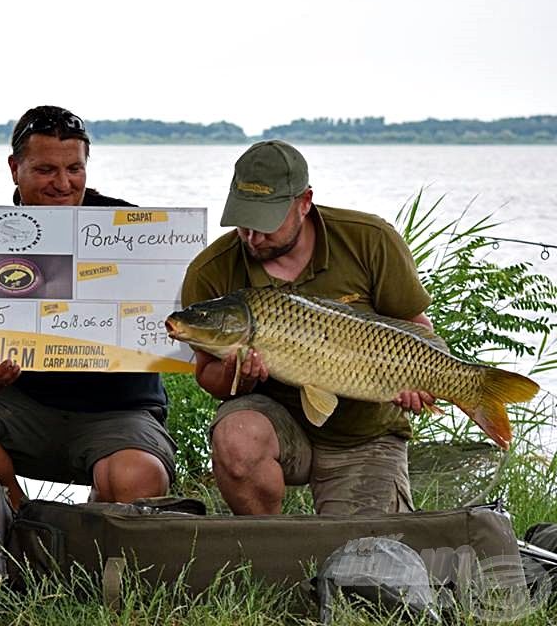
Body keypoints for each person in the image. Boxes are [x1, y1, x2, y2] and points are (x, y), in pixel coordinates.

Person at [0, 105, 176, 509]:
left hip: (119, 412)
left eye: (74, 169)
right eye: (46, 169)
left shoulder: (135, 232)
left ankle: (92, 533)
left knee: (135, 476)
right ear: (15, 168)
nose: (63, 184)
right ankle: (21, 528)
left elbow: (175, 325)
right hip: (23, 407)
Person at [180, 139, 436, 516]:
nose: (252, 236)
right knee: (237, 436)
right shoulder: (211, 271)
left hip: (363, 433)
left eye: (266, 223)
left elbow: (417, 327)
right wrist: (242, 377)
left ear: (304, 202)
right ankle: (266, 551)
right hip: (275, 424)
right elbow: (207, 374)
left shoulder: (370, 239)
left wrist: (424, 382)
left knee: (365, 563)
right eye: (244, 221)